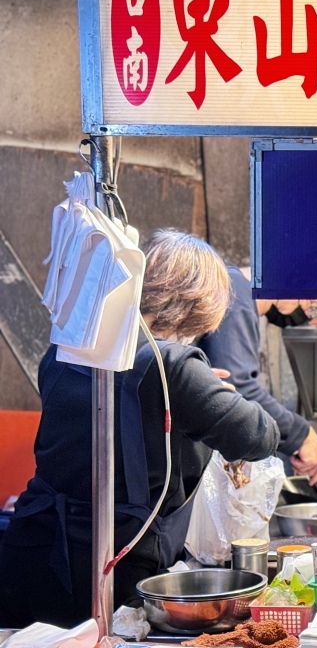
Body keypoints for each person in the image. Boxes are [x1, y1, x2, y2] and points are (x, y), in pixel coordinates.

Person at [0, 230, 281, 629]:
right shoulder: (174, 366)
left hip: (27, 550)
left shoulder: (68, 346)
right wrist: (211, 390)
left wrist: (193, 392)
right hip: (109, 575)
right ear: (196, 302)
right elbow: (259, 436)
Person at [196, 266, 317, 485]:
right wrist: (301, 435)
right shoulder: (236, 292)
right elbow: (236, 385)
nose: (309, 311)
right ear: (289, 280)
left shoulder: (235, 290)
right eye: (310, 302)